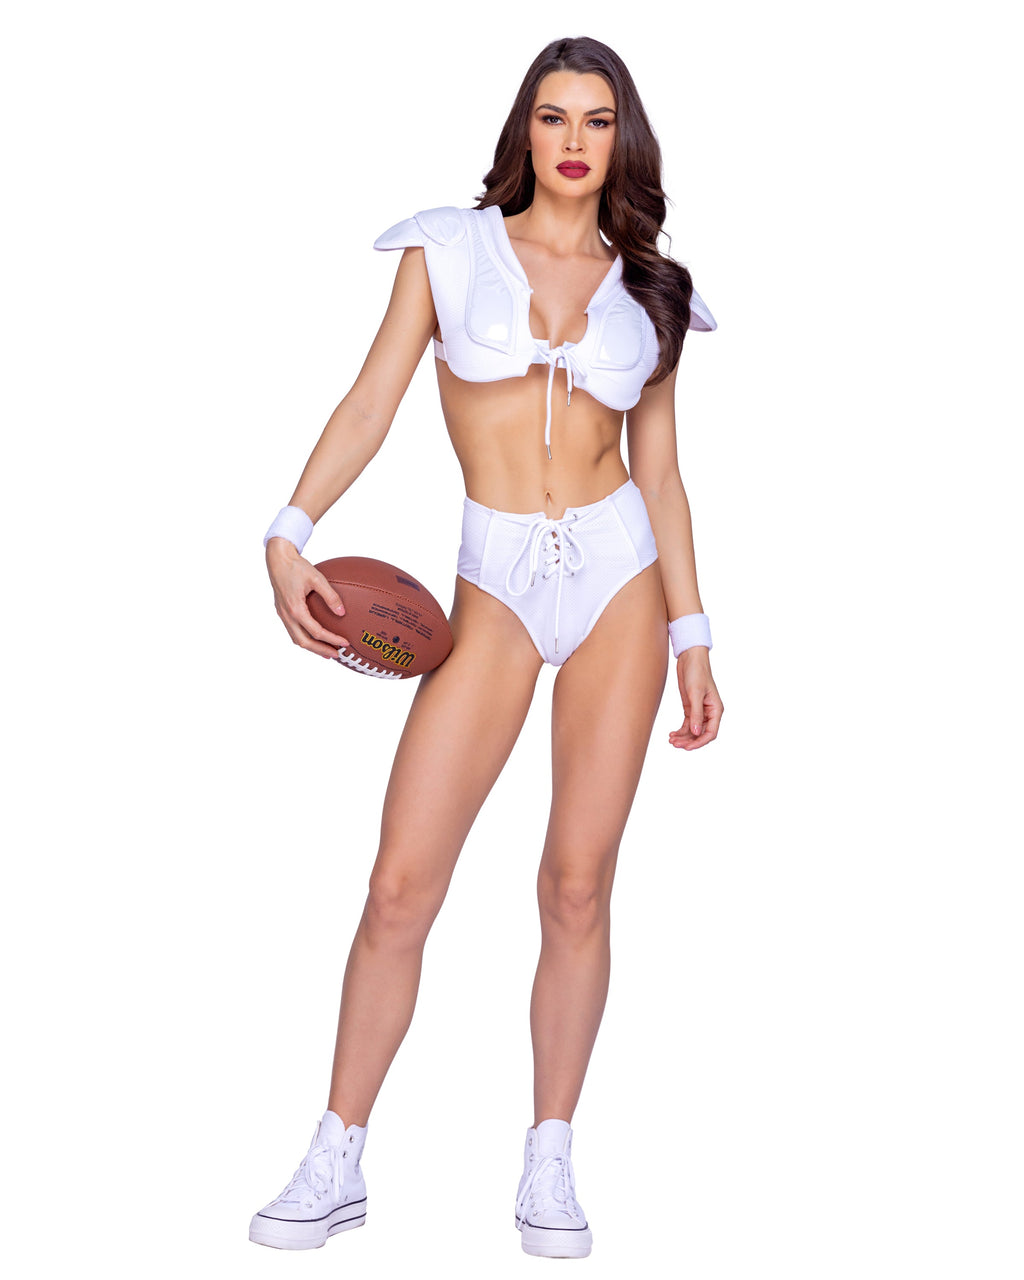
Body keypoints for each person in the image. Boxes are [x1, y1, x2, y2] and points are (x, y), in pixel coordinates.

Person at [250, 35, 724, 1260]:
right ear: (524, 129)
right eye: (554, 116)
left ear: (622, 139)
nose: (574, 140)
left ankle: (549, 1153)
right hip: (491, 580)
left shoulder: (652, 287)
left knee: (576, 882)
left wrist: (692, 635)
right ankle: (336, 1152)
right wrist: (291, 530)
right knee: (399, 884)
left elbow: (662, 475)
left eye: (598, 121)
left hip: (617, 575)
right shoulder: (447, 250)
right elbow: (372, 399)